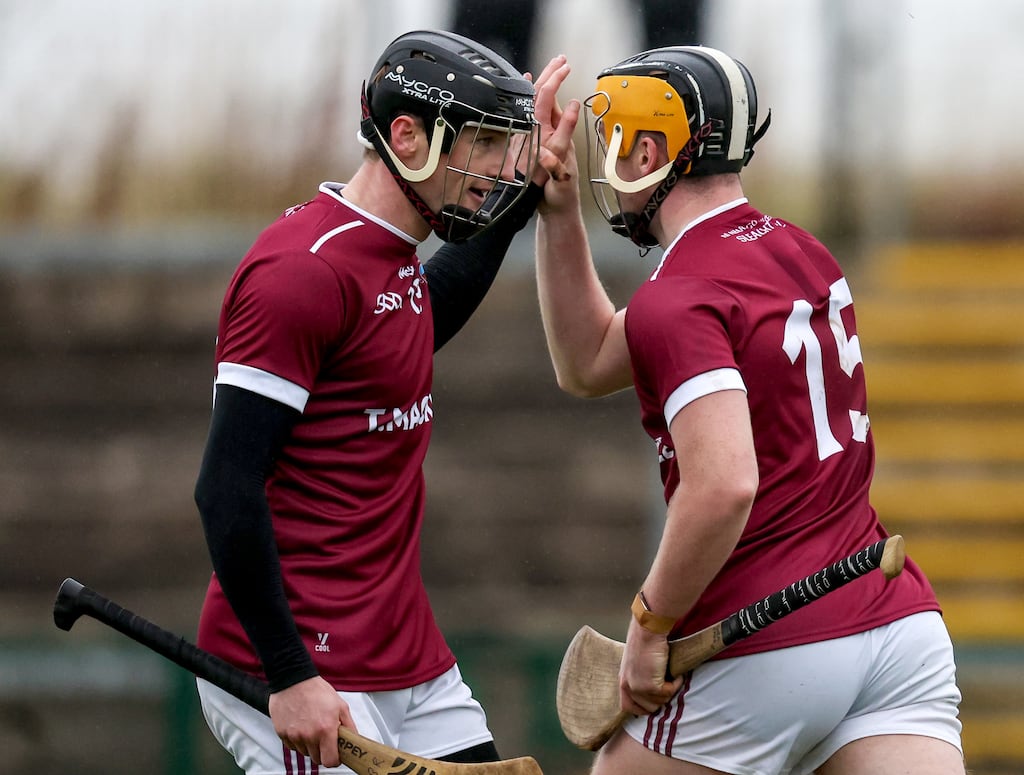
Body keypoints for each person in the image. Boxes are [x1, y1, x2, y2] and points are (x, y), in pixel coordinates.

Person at [533, 45, 966, 774]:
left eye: (613, 140)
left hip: (764, 641)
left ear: (650, 150)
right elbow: (588, 361)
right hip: (895, 628)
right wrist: (559, 214)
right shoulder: (802, 250)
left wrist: (648, 624)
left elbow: (724, 484)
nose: (607, 158)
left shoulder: (683, 293)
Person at [191, 29, 573, 773]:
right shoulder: (300, 273)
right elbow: (225, 489)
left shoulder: (389, 258)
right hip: (299, 661)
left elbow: (426, 312)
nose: (495, 167)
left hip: (404, 655)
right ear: (407, 136)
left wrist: (526, 193)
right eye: (484, 142)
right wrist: (291, 671)